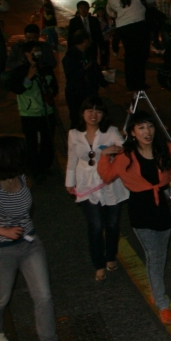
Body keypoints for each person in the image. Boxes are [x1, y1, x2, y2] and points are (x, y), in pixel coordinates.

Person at [0, 137, 67, 341]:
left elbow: (26, 206)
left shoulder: (22, 178)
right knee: (1, 297)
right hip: (0, 251)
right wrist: (5, 231)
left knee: (43, 296)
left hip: (30, 244)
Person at [97, 108, 171, 323]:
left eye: (150, 126)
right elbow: (106, 176)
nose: (147, 131)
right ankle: (162, 303)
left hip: (165, 206)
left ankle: (156, 289)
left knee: (160, 253)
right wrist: (104, 156)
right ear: (132, 132)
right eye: (141, 127)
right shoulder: (126, 156)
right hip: (141, 210)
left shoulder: (166, 148)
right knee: (154, 255)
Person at [65, 96, 128, 281]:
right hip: (87, 184)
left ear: (103, 115)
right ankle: (99, 264)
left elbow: (123, 147)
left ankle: (111, 256)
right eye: (90, 111)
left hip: (110, 184)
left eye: (98, 111)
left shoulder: (111, 131)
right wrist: (69, 182)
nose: (94, 115)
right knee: (95, 225)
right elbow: (72, 160)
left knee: (112, 224)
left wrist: (114, 148)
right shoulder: (74, 134)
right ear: (83, 113)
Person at [9, 41, 59, 178]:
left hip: (47, 111)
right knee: (31, 143)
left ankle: (46, 166)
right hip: (29, 114)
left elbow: (55, 88)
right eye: (35, 52)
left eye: (39, 52)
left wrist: (50, 90)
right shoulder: (19, 71)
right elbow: (16, 89)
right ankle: (34, 169)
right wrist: (28, 78)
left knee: (48, 142)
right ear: (27, 54)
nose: (38, 55)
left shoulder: (46, 69)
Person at [106, 0, 156, 91]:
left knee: (130, 55)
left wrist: (117, 14)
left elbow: (109, 10)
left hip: (123, 27)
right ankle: (140, 82)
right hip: (139, 26)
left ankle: (130, 83)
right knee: (141, 55)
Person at [62, 32, 107, 130]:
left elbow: (96, 70)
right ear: (85, 41)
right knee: (77, 119)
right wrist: (84, 70)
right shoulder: (70, 57)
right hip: (77, 93)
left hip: (89, 91)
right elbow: (71, 76)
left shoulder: (87, 54)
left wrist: (103, 82)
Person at [67, 0, 107, 70]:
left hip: (92, 45)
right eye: (81, 8)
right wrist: (70, 49)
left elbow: (99, 34)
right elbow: (70, 36)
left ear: (88, 9)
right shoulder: (74, 21)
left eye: (85, 7)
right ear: (78, 9)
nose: (83, 10)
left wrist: (102, 46)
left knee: (93, 62)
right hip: (80, 46)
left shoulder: (94, 20)